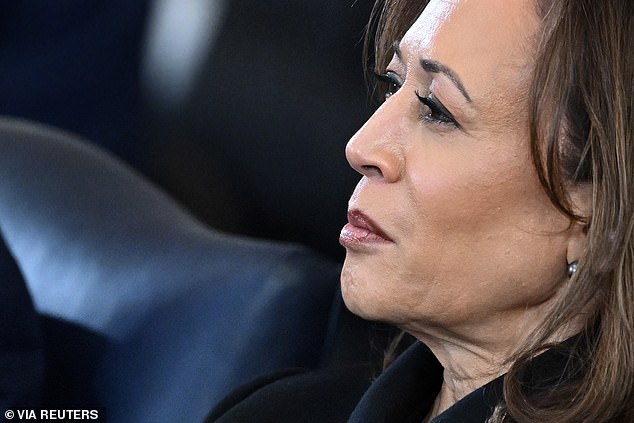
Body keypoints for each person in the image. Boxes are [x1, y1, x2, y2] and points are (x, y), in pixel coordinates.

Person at [207, 0, 634, 421]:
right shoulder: (275, 410)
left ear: (591, 216)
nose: (361, 147)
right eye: (393, 85)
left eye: (437, 111)